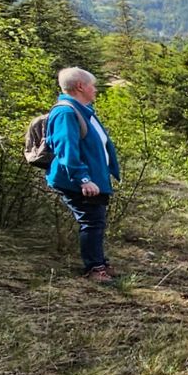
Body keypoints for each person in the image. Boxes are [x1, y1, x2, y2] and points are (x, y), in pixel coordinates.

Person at [44, 67, 121, 282]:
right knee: (92, 221)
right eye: (92, 85)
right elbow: (66, 148)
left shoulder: (83, 110)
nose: (95, 89)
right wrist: (83, 179)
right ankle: (95, 269)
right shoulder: (66, 112)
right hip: (79, 182)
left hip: (93, 179)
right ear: (80, 86)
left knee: (96, 221)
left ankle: (100, 262)